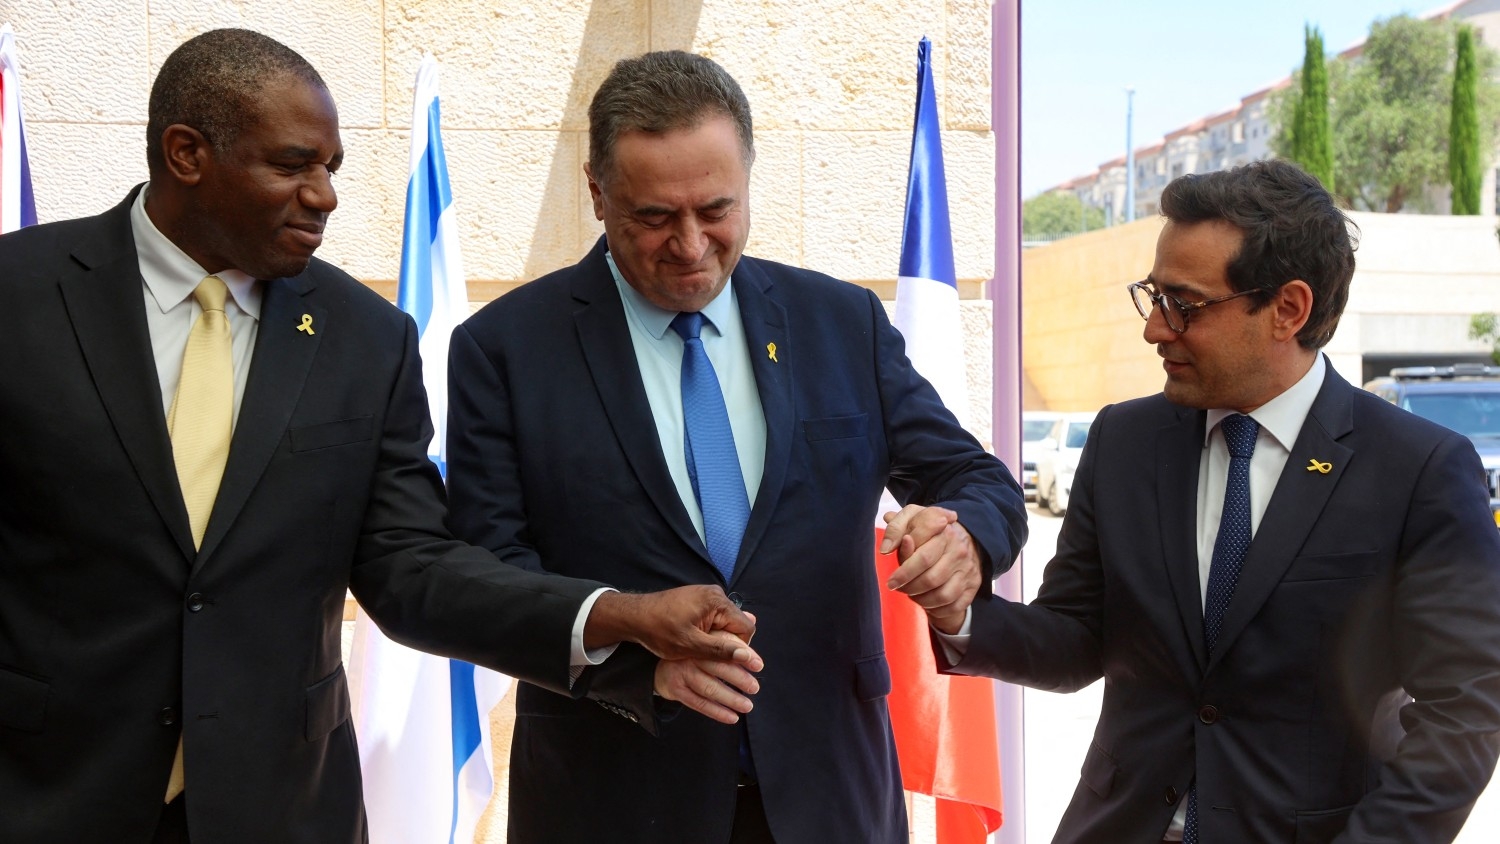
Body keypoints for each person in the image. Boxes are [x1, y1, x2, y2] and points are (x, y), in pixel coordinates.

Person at [0, 29, 762, 844]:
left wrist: (617, 614)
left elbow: (412, 571)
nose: (323, 196)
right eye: (293, 166)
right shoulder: (20, 296)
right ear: (187, 154)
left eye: (330, 168)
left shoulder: (366, 339)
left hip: (282, 814)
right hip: (43, 799)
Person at [444, 49, 1027, 844]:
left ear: (747, 183)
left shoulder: (839, 324)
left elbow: (973, 476)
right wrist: (636, 658)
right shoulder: (505, 349)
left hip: (831, 795)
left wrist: (967, 538)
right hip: (611, 799)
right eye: (653, 216)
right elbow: (485, 577)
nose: (690, 245)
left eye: (716, 209)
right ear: (597, 194)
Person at [934, 160, 1500, 843]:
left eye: (1185, 304)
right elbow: (1078, 636)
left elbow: (1465, 710)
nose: (1156, 329)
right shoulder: (1124, 441)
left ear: (1288, 309)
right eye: (1153, 295)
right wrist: (959, 613)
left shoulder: (1418, 470)